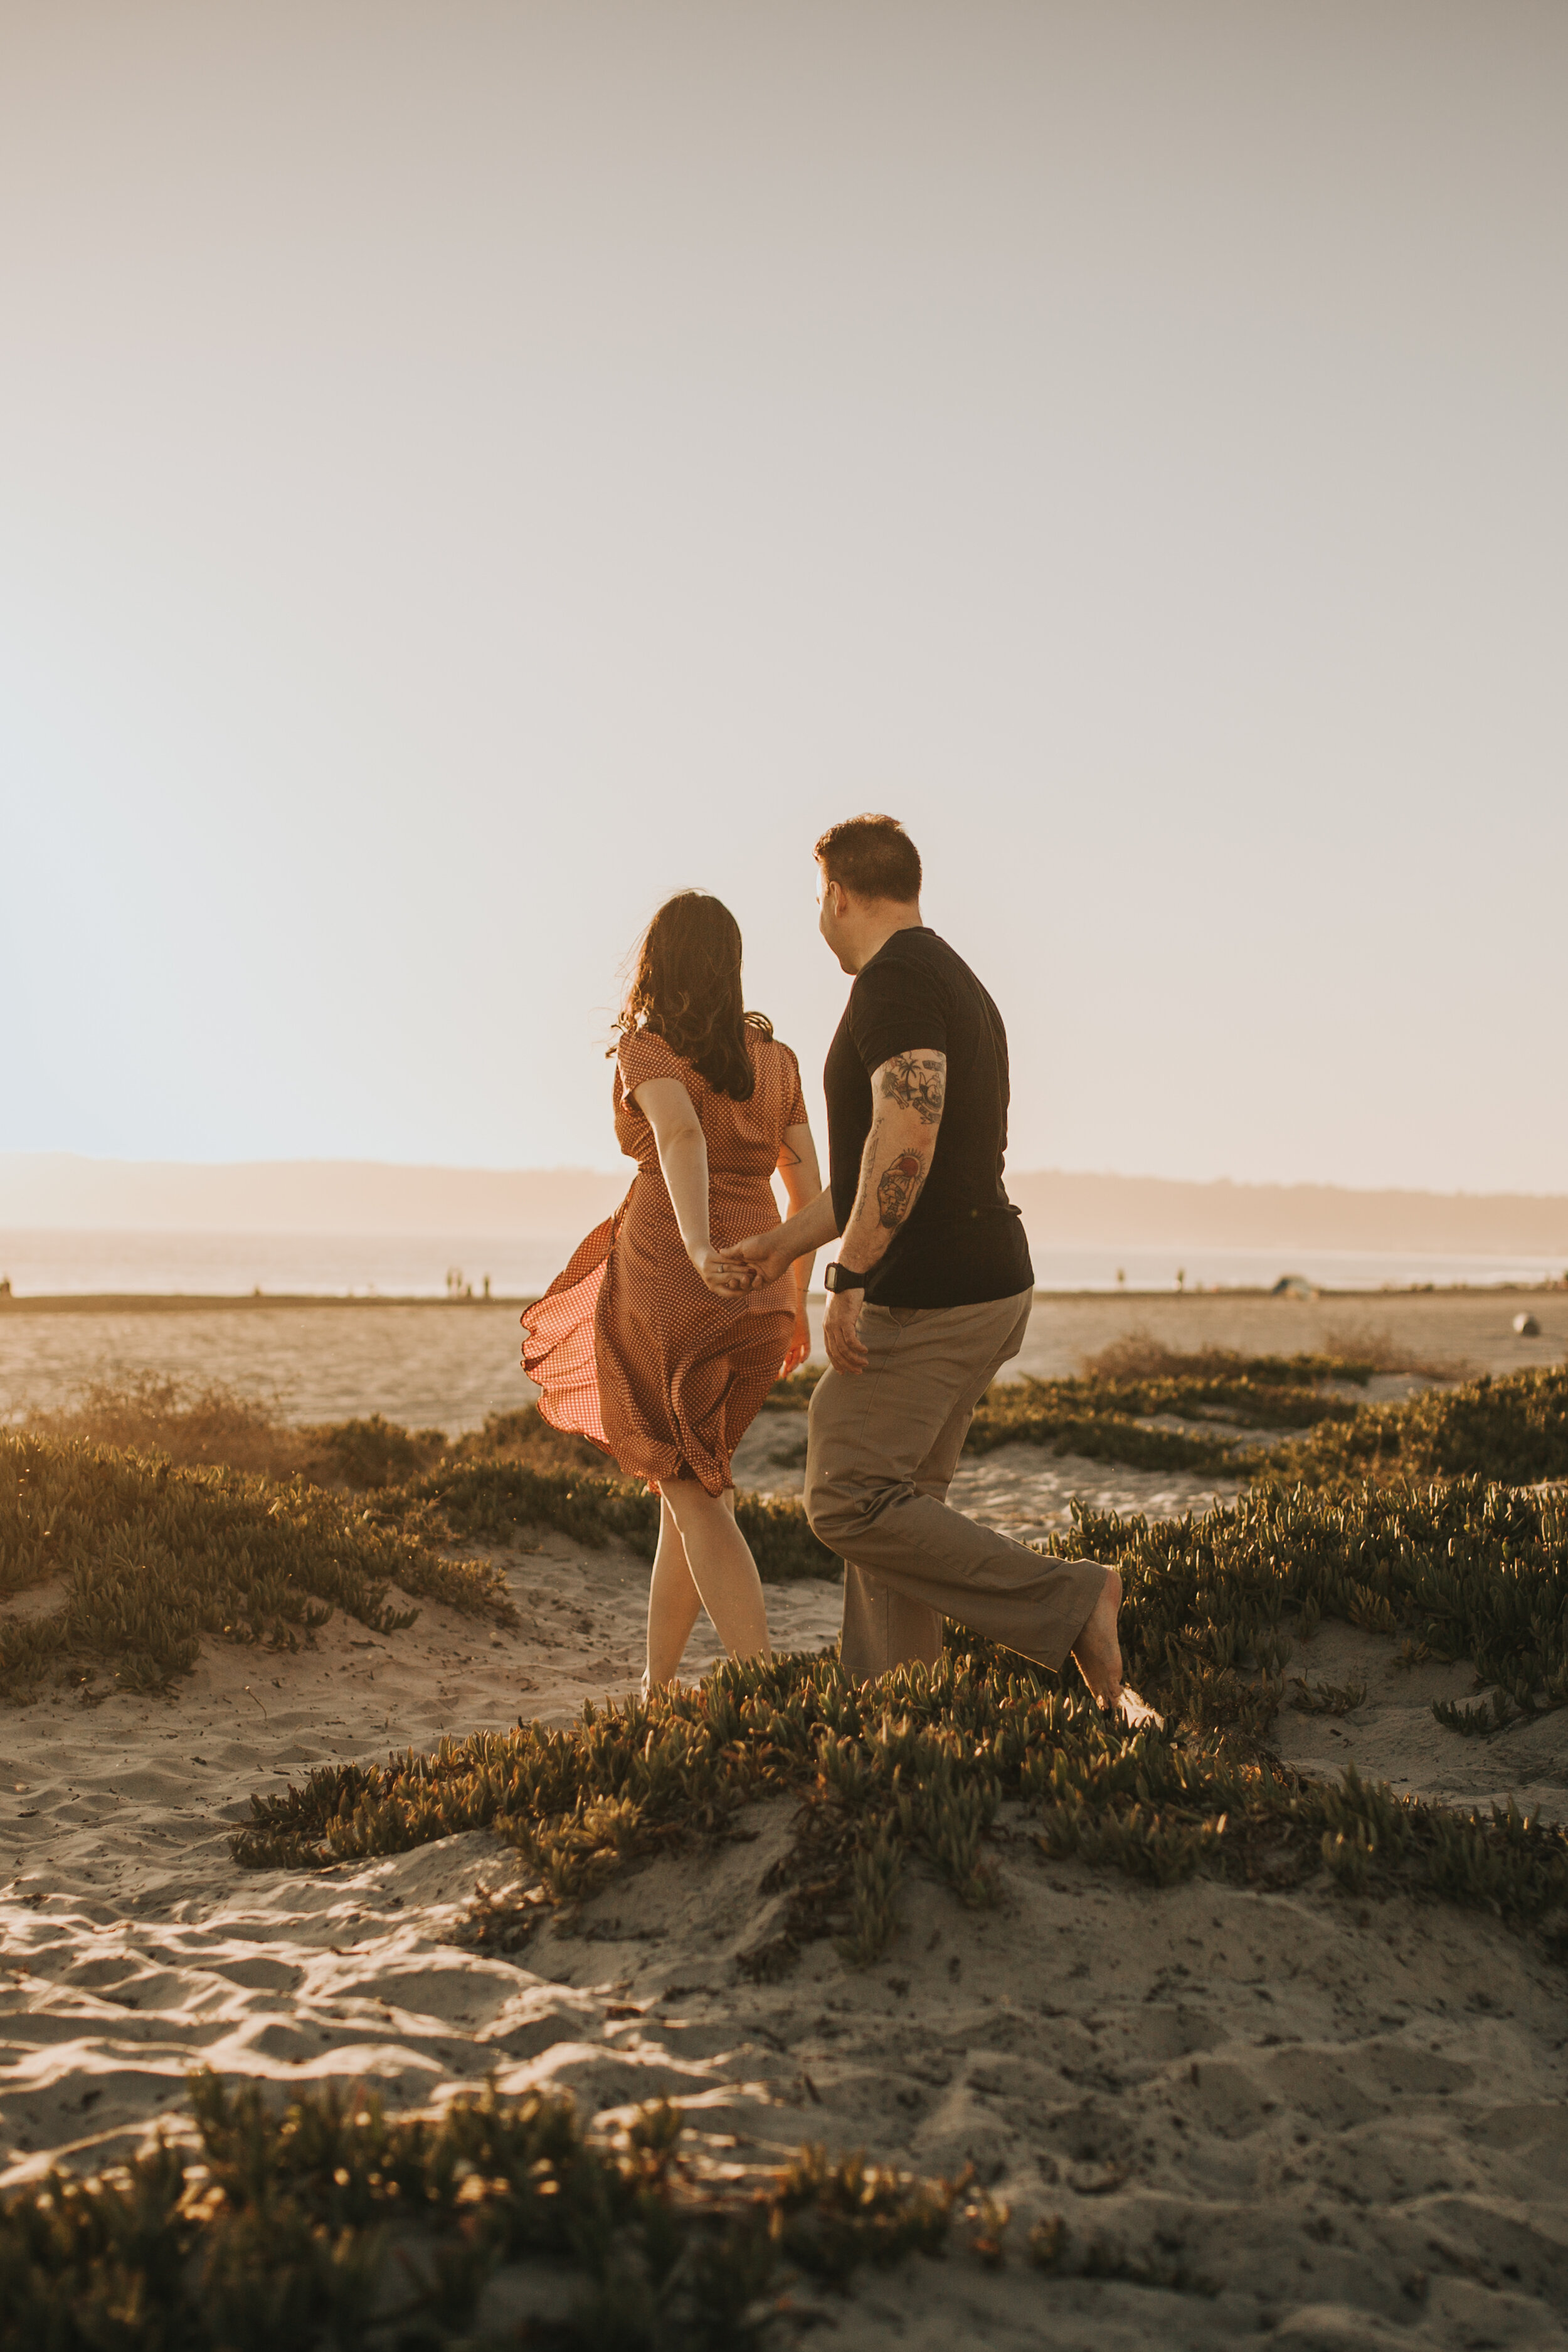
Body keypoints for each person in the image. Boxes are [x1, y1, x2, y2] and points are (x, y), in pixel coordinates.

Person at [730, 815, 1130, 1708]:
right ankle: (900, 1711)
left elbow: (910, 1134)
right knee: (898, 1511)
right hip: (983, 1274)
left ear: (837, 892)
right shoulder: (947, 974)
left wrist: (851, 1278)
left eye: (817, 898)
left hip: (938, 1289)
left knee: (847, 1497)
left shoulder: (897, 980)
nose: (818, 916)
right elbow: (883, 1166)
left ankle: (1076, 1598)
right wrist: (785, 1245)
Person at [522, 891, 821, 1688]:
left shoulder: (646, 1050)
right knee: (684, 1488)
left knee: (692, 1491)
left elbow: (681, 1134)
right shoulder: (779, 1063)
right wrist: (798, 1300)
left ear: (658, 964)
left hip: (672, 1282)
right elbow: (809, 1191)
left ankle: (762, 1685)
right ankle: (657, 1691)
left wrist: (695, 1246)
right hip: (762, 1295)